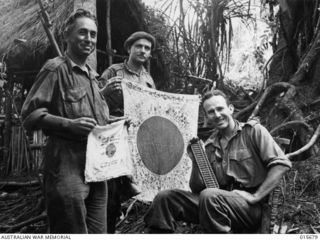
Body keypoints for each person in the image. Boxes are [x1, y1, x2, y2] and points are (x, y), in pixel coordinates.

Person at [21, 9, 117, 233]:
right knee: (70, 231)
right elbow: (29, 115)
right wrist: (69, 125)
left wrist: (116, 121)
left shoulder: (93, 77)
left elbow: (96, 119)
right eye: (83, 32)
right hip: (66, 166)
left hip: (97, 167)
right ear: (67, 36)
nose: (89, 39)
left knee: (97, 234)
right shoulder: (55, 68)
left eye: (93, 34)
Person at [144, 89, 292, 233]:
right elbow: (197, 190)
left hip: (249, 208)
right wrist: (196, 162)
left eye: (220, 109)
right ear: (207, 117)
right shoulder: (209, 145)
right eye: (211, 112)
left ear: (231, 109)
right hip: (215, 203)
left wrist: (256, 196)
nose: (217, 115)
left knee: (210, 196)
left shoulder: (253, 132)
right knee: (165, 198)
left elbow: (282, 165)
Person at [98, 31, 157, 233]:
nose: (142, 50)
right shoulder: (113, 72)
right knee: (110, 191)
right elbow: (94, 102)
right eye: (138, 46)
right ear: (129, 49)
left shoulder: (148, 80)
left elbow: (153, 110)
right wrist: (104, 92)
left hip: (139, 140)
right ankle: (105, 231)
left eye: (147, 48)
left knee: (136, 188)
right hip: (114, 138)